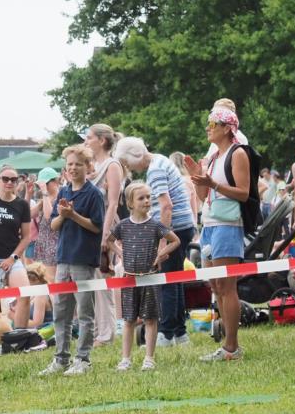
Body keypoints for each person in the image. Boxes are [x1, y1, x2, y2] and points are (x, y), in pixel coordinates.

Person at [113, 136, 197, 347]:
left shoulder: (155, 170)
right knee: (174, 280)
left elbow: (165, 206)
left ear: (135, 155)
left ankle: (166, 333)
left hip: (174, 228)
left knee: (166, 282)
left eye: (126, 162)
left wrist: (161, 243)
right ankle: (179, 332)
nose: (127, 167)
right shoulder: (160, 160)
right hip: (183, 226)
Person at [184, 107, 252, 361]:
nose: (207, 128)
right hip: (210, 224)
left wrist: (212, 183)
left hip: (228, 225)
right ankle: (227, 343)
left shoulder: (237, 153)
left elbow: (243, 193)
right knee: (215, 285)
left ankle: (232, 346)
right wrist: (196, 176)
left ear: (226, 128)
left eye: (212, 123)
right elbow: (204, 197)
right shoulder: (213, 157)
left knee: (227, 285)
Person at [39, 145, 105, 376]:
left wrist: (73, 215)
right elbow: (55, 224)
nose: (73, 168)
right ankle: (61, 358)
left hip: (83, 260)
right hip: (63, 259)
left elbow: (97, 227)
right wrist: (63, 215)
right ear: (65, 170)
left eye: (78, 164)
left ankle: (83, 359)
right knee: (60, 312)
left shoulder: (94, 194)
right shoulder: (64, 193)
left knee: (85, 313)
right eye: (69, 165)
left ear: (87, 167)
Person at [107, 183, 180, 371]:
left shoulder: (155, 225)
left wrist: (161, 254)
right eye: (141, 198)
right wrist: (120, 253)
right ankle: (126, 359)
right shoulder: (123, 226)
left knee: (150, 319)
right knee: (129, 320)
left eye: (148, 197)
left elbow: (175, 241)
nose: (147, 200)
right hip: (129, 279)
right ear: (130, 203)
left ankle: (149, 358)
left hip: (150, 278)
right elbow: (109, 241)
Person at [84, 124, 126, 346]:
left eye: (89, 137)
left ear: (101, 140)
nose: (86, 141)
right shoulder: (91, 166)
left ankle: (107, 333)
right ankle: (96, 329)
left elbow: (112, 203)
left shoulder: (112, 165)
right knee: (89, 281)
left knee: (103, 280)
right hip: (87, 227)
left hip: (104, 227)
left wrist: (105, 235)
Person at [0, 164, 33, 329]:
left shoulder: (22, 205)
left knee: (25, 294)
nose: (9, 182)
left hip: (12, 257)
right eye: (5, 179)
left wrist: (12, 258)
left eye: (13, 179)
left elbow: (26, 237)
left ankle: (20, 336)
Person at [30, 167, 61, 283]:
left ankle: (54, 301)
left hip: (54, 244)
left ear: (56, 181)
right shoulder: (45, 198)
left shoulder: (60, 196)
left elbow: (49, 217)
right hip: (43, 243)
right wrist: (28, 195)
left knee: (51, 279)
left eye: (46, 183)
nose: (44, 186)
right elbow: (29, 215)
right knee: (41, 279)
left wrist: (44, 192)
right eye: (41, 184)